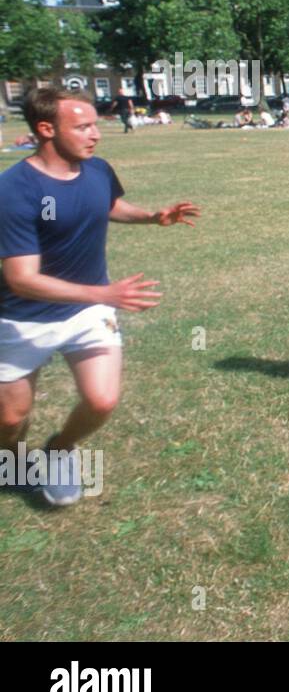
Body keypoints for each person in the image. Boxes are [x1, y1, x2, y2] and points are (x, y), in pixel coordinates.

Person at [0, 88, 200, 506]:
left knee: (102, 400)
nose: (96, 134)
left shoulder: (96, 170)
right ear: (45, 129)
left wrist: (152, 217)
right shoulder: (14, 190)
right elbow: (22, 279)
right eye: (83, 126)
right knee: (10, 418)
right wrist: (104, 292)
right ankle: (14, 462)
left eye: (95, 124)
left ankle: (58, 452)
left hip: (87, 312)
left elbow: (108, 205)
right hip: (22, 317)